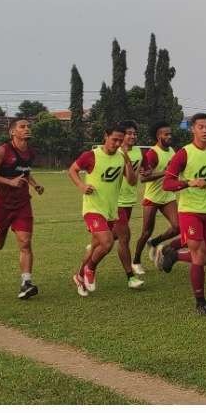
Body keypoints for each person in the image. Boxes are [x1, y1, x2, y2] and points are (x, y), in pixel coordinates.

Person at [157, 113, 206, 316]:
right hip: (189, 211)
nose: (205, 130)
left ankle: (174, 254)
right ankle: (200, 303)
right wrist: (189, 182)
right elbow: (167, 183)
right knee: (199, 254)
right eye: (201, 127)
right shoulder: (184, 153)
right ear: (192, 129)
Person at [0, 119, 45, 299]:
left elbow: (25, 172)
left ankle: (26, 283)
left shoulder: (30, 153)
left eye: (29, 126)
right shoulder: (3, 150)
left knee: (25, 242)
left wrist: (35, 185)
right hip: (1, 205)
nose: (27, 129)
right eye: (23, 126)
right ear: (13, 132)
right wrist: (10, 182)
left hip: (22, 204)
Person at [67, 123, 143, 296]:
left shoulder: (121, 157)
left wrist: (127, 161)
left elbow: (132, 181)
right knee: (107, 242)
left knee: (95, 246)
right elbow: (73, 170)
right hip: (93, 208)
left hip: (110, 210)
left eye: (120, 141)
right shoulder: (91, 155)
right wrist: (81, 185)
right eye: (114, 139)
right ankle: (90, 269)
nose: (117, 144)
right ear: (105, 136)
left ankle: (79, 276)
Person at [134, 121, 181, 269]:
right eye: (166, 134)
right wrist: (165, 172)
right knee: (146, 232)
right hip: (152, 198)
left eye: (170, 133)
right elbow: (144, 178)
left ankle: (154, 243)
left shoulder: (172, 151)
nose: (169, 136)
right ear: (158, 136)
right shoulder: (152, 153)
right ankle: (136, 261)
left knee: (178, 227)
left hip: (168, 197)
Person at [114, 121, 146, 275]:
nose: (133, 136)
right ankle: (130, 274)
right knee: (124, 237)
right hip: (117, 200)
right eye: (129, 133)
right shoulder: (116, 152)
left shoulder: (138, 152)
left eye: (134, 133)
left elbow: (137, 174)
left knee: (114, 235)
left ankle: (95, 245)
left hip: (129, 199)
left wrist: (145, 173)